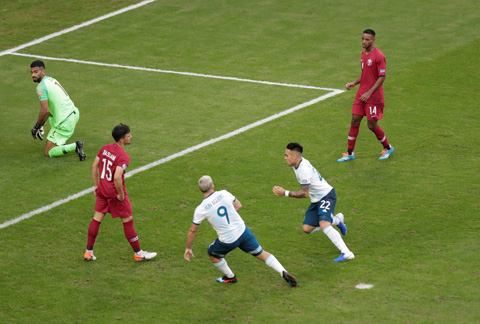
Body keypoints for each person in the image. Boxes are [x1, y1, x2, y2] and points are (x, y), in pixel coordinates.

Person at [184, 175, 297, 287]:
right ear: (212, 186)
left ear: (200, 189)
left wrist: (188, 248)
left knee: (212, 253)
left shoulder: (201, 209)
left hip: (228, 240)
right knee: (262, 253)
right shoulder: (224, 193)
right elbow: (238, 205)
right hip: (243, 232)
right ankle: (283, 271)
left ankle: (230, 277)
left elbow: (193, 231)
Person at [84, 124, 156, 262]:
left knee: (96, 219)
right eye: (129, 135)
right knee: (127, 220)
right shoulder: (123, 156)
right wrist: (121, 194)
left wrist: (96, 185)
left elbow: (94, 166)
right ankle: (138, 253)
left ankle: (88, 251)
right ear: (122, 140)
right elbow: (117, 177)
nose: (131, 137)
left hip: (102, 190)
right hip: (114, 193)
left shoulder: (105, 148)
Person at [273, 143, 355, 262]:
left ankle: (347, 253)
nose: (285, 158)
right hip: (317, 199)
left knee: (323, 224)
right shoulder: (298, 163)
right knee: (307, 229)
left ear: (295, 156)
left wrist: (285, 193)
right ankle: (337, 220)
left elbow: (304, 193)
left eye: (287, 155)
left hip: (327, 196)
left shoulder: (303, 170)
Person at [337, 29, 394, 162]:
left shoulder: (379, 56)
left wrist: (369, 92)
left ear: (373, 40)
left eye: (367, 39)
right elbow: (366, 74)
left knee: (371, 125)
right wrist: (354, 83)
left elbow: (381, 77)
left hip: (373, 96)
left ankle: (388, 147)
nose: (364, 41)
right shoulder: (364, 54)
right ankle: (350, 153)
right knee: (355, 120)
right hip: (361, 93)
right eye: (362, 38)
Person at [30, 60, 86, 161]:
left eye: (36, 72)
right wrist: (42, 124)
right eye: (32, 72)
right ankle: (60, 141)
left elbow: (45, 110)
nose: (33, 75)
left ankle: (75, 146)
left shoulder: (41, 87)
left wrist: (37, 126)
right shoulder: (51, 80)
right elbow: (49, 112)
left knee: (48, 152)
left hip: (64, 121)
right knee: (53, 119)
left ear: (43, 71)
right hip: (73, 113)